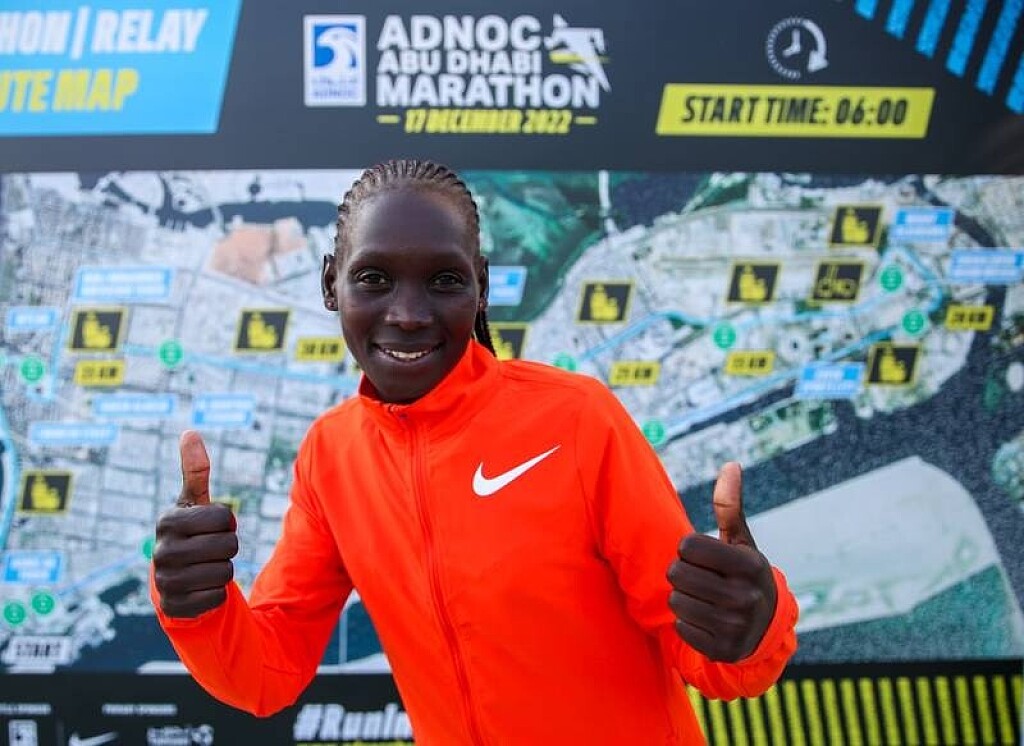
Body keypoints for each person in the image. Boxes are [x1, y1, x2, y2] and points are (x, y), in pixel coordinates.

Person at [151, 159, 799, 744]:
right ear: (330, 283)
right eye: (374, 278)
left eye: (443, 280)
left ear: (480, 287)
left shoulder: (578, 419)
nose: (408, 313)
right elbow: (266, 673)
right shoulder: (331, 455)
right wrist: (197, 608)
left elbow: (712, 662)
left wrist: (752, 624)